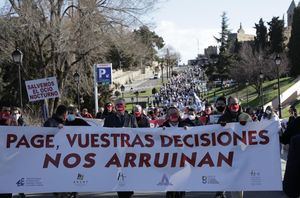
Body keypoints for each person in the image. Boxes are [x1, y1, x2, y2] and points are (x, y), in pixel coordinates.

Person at [103, 98, 137, 198]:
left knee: (129, 176)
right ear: (114, 106)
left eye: (121, 104)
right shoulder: (109, 119)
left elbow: (137, 132)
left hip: (128, 152)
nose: (119, 106)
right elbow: (104, 133)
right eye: (117, 105)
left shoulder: (131, 118)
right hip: (115, 152)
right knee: (118, 177)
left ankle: (128, 192)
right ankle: (121, 193)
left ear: (125, 106)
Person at [161, 106, 190, 198]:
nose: (174, 115)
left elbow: (198, 131)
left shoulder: (186, 124)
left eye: (175, 113)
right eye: (171, 114)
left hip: (182, 161)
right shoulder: (162, 127)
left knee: (181, 188)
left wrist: (189, 129)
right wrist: (159, 132)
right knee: (170, 187)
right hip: (169, 162)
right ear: (168, 116)